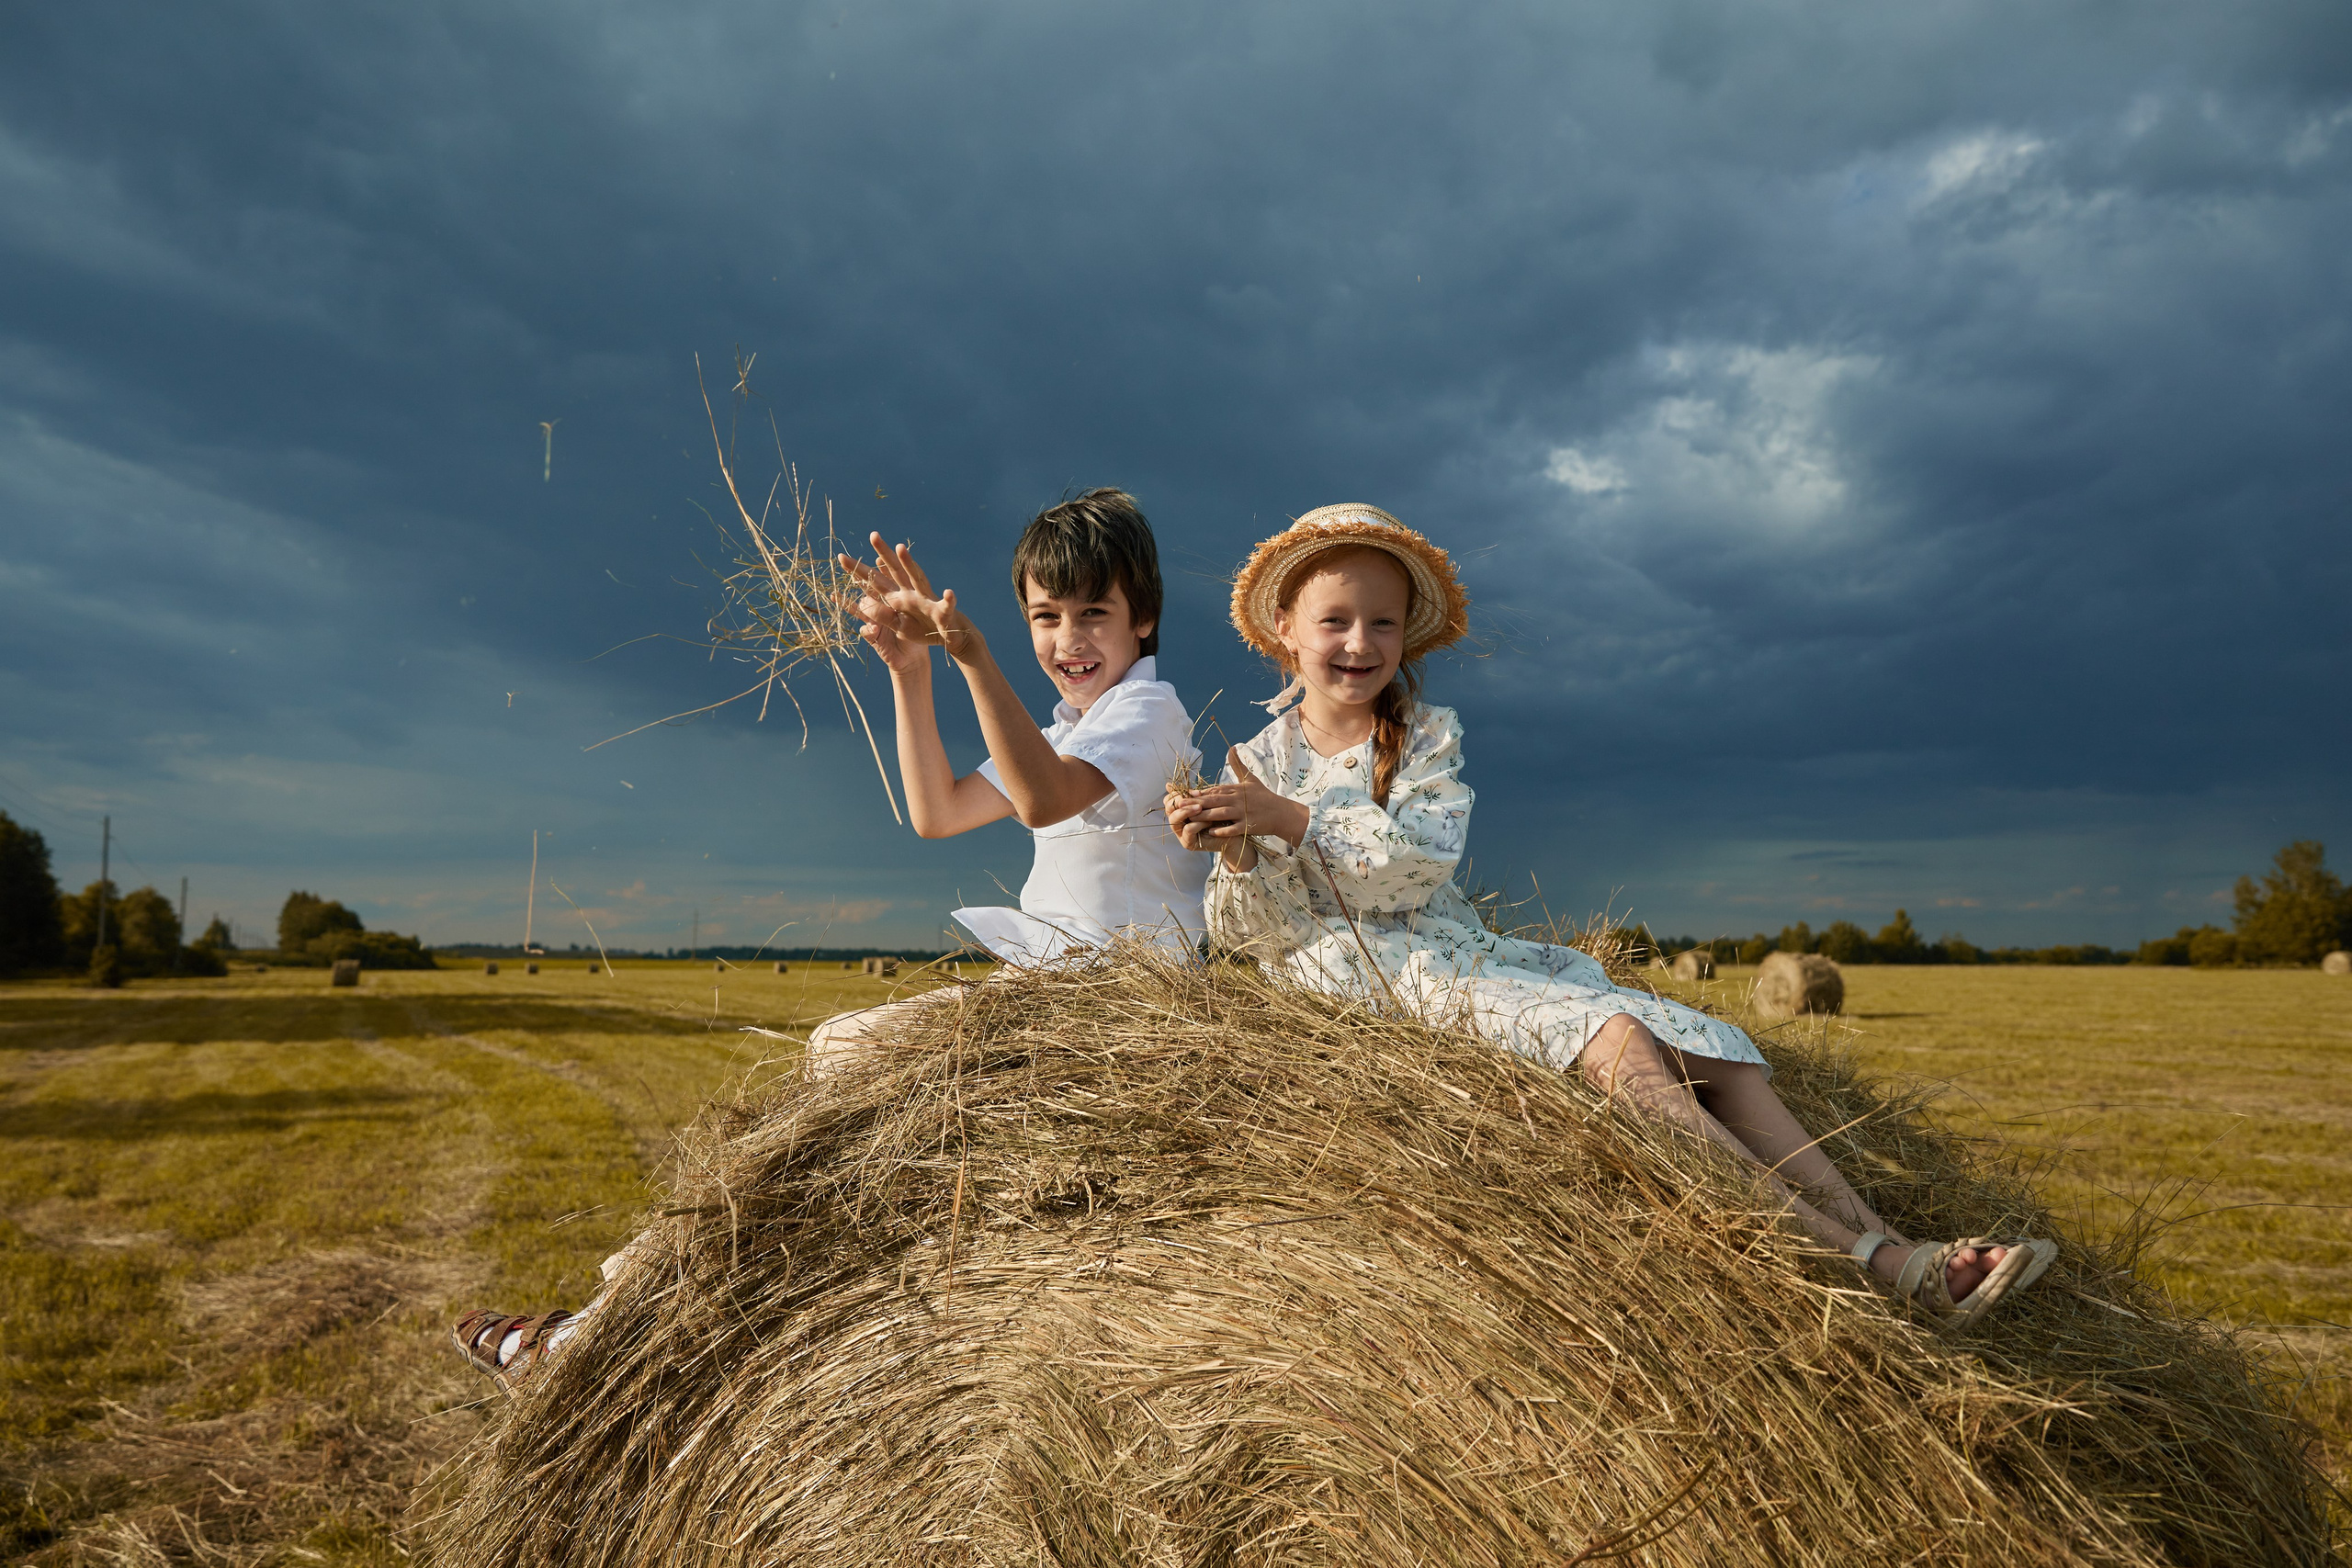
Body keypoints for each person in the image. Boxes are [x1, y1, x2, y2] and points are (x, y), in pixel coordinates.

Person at [1165, 503, 2056, 1328]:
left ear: (1408, 634)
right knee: (1622, 1044)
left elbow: (1417, 866)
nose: (1359, 642)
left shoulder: (1427, 736)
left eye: (1382, 622)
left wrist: (1290, 820)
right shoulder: (1256, 757)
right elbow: (1253, 936)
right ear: (1285, 632)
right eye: (1335, 621)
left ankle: (1898, 1245)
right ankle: (1868, 1260)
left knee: (1711, 1055)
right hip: (1363, 982)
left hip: (1452, 954)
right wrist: (1235, 849)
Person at [451, 490, 1210, 1384]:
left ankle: (597, 1332)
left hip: (1115, 1009)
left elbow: (1042, 797)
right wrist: (910, 670)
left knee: (839, 1054)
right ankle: (613, 1321)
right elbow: (936, 812)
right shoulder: (1072, 727)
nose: (1068, 640)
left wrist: (970, 656)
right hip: (1056, 996)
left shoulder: (1147, 716)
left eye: (1094, 614)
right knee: (814, 1123)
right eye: (1045, 618)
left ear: (1144, 616)